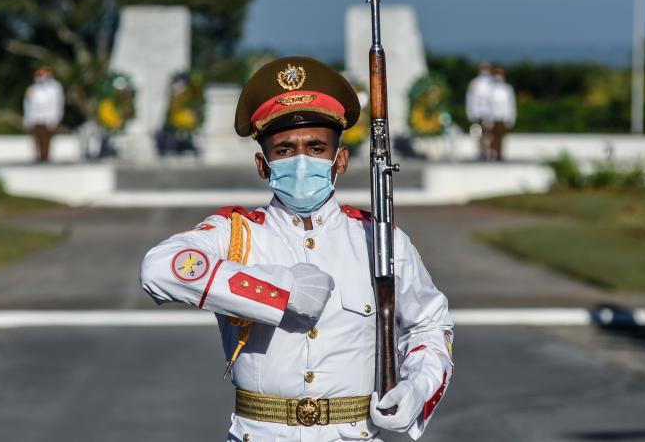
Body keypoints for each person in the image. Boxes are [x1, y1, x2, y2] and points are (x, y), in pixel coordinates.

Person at [140, 57, 454, 442]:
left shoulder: (380, 239)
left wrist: (417, 387)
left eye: (316, 147)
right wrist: (278, 291)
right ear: (263, 165)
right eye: (285, 150)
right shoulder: (238, 235)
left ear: (340, 160)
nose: (302, 160)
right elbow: (159, 269)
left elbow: (429, 325)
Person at [22, 66, 65, 162]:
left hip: (48, 119)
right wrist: (27, 118)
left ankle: (45, 157)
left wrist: (55, 118)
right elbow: (28, 104)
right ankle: (39, 157)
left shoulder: (55, 88)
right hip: (35, 119)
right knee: (37, 140)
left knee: (47, 140)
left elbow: (57, 104)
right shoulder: (32, 88)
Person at [466, 62, 494, 160]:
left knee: (488, 135)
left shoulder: (492, 83)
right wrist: (470, 112)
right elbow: (470, 98)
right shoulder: (474, 82)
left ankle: (488, 152)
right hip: (477, 113)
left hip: (489, 114)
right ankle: (481, 152)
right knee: (478, 134)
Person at [489, 68, 516, 161]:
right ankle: (493, 152)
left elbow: (511, 104)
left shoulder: (508, 89)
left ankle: (499, 153)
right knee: (492, 136)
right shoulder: (490, 88)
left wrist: (511, 117)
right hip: (493, 117)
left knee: (501, 137)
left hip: (503, 117)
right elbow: (488, 105)